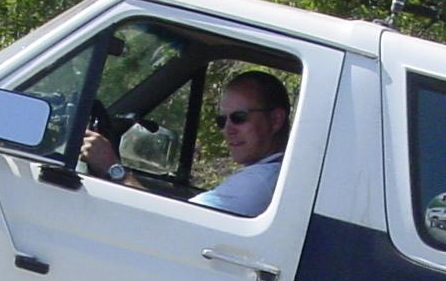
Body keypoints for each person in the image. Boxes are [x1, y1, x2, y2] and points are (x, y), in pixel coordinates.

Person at [80, 71, 291, 217]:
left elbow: (169, 224)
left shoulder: (260, 182)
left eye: (239, 117)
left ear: (275, 120)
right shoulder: (271, 175)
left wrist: (113, 168)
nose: (227, 129)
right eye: (222, 120)